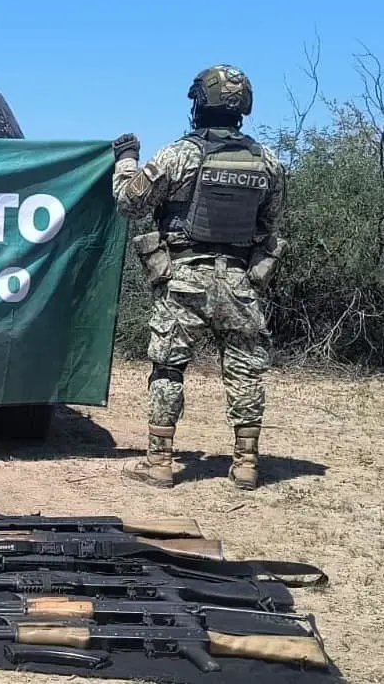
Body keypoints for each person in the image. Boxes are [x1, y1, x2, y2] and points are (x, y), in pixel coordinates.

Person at [111, 64, 287, 490]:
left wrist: (125, 159)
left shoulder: (179, 154)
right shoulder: (267, 161)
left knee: (168, 369)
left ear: (198, 104)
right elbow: (271, 224)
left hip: (184, 278)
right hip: (240, 282)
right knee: (245, 371)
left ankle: (160, 464)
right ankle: (246, 465)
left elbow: (129, 203)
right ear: (243, 106)